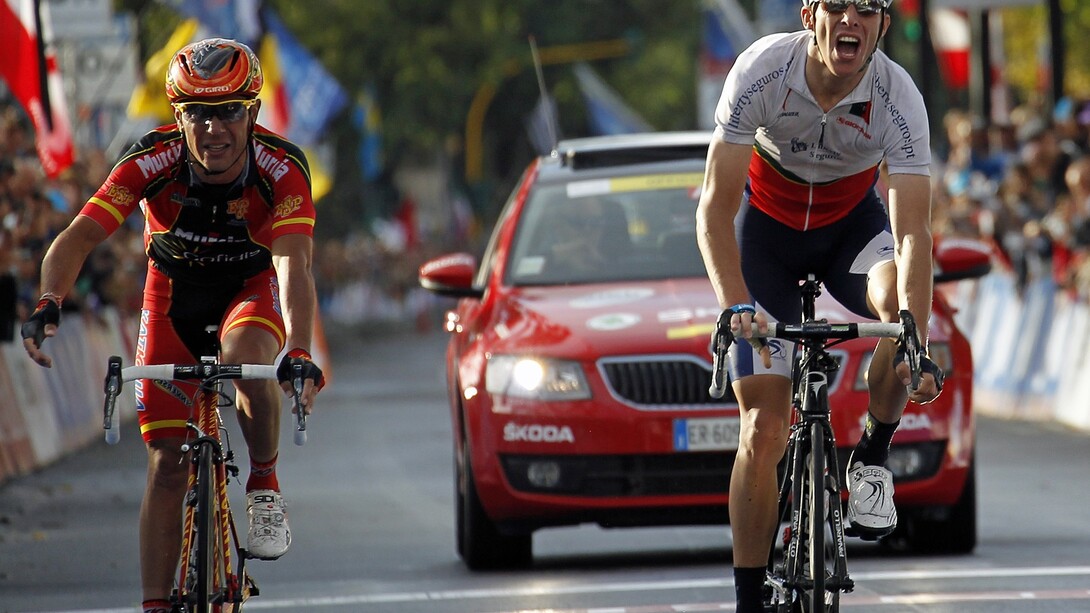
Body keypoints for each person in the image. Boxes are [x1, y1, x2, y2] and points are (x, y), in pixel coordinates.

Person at [19, 38, 325, 613]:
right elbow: (79, 235)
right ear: (178, 117)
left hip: (249, 287)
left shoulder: (281, 167)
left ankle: (263, 484)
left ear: (253, 112)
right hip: (173, 295)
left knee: (247, 356)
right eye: (198, 114)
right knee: (166, 462)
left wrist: (301, 349)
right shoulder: (150, 159)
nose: (214, 129)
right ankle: (155, 605)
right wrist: (49, 300)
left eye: (228, 111)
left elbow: (293, 264)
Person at [694, 2, 944, 611]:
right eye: (836, 5)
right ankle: (749, 599)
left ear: (883, 26)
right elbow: (715, 209)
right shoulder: (762, 71)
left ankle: (872, 458)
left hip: (849, 234)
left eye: (867, 9)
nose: (850, 19)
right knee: (763, 427)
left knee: (900, 313)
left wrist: (915, 335)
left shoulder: (898, 97)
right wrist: (735, 306)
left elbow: (912, 233)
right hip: (766, 239)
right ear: (811, 14)